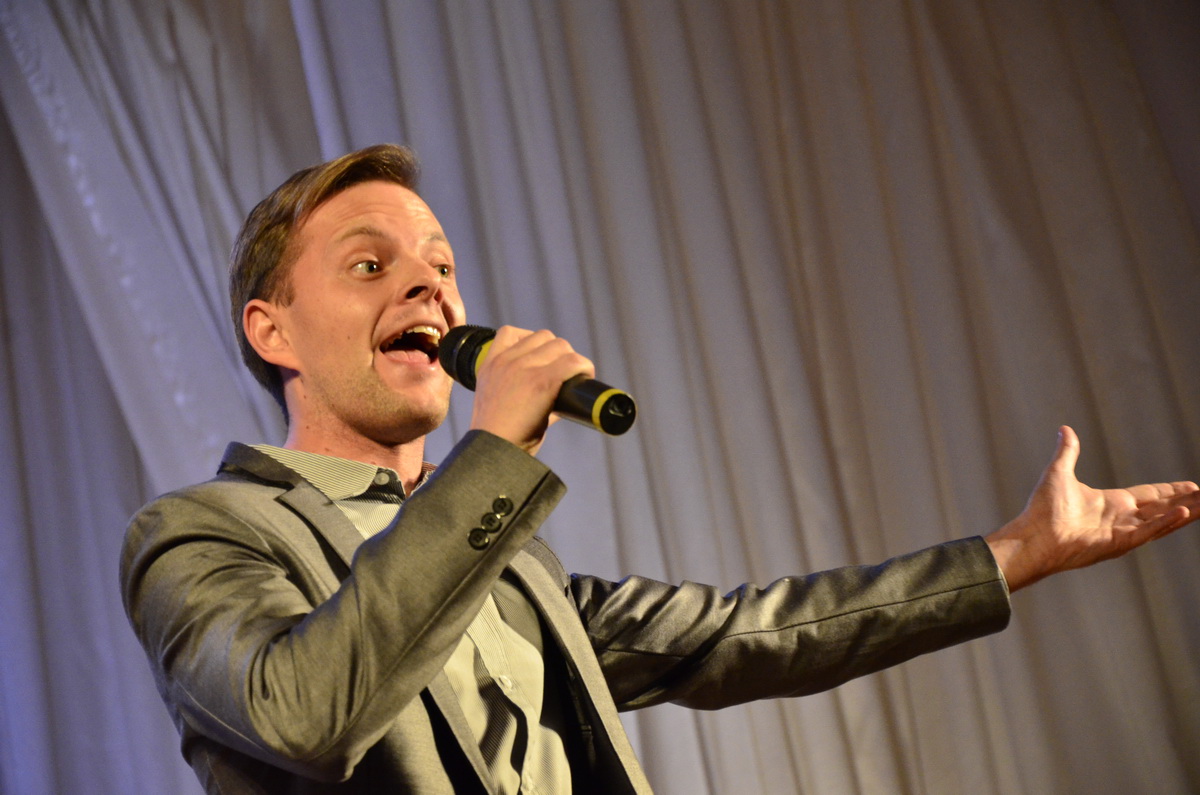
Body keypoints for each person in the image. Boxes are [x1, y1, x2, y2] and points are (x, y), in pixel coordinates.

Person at [120, 144, 1199, 794]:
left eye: (442, 265)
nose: (430, 287)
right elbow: (305, 713)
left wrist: (1014, 553)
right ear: (272, 330)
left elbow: (738, 633)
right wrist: (492, 458)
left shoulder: (503, 557)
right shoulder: (201, 533)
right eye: (370, 264)